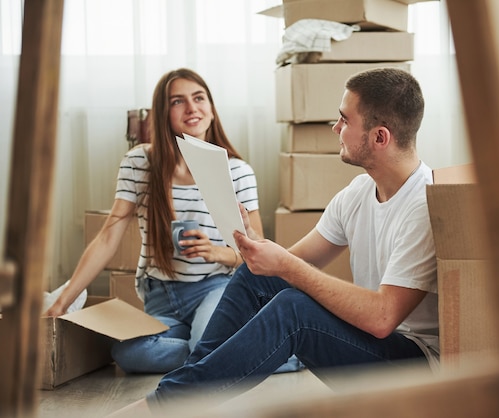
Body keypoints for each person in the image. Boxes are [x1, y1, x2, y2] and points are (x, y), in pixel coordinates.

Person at [113, 67, 438, 415]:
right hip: (373, 344)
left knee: (293, 311)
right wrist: (256, 247)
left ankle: (164, 406)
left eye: (344, 120)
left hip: (411, 368)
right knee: (258, 278)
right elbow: (291, 264)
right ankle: (188, 398)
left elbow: (382, 317)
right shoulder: (359, 192)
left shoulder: (426, 205)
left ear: (379, 137)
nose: (336, 128)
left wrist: (284, 265)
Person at [45, 68, 277, 374]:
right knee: (129, 353)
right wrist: (62, 302)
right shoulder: (139, 163)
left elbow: (258, 252)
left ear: (211, 107)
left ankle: (224, 350)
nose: (192, 108)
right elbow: (107, 238)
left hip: (216, 286)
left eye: (199, 98)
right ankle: (218, 353)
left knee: (204, 342)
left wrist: (218, 253)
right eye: (177, 101)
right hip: (160, 295)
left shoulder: (238, 171)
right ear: (163, 113)